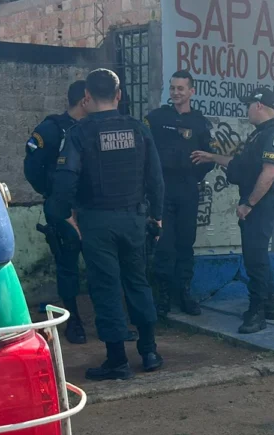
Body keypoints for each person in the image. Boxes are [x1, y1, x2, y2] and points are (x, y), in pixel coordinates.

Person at [47, 69, 165, 381]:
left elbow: (65, 180)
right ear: (119, 95)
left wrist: (65, 216)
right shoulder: (139, 129)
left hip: (96, 221)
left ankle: (117, 361)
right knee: (138, 282)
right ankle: (150, 352)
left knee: (106, 287)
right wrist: (157, 215)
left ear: (86, 97)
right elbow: (156, 177)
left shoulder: (79, 133)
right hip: (134, 218)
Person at [191, 87, 274, 334]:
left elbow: (269, 173)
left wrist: (249, 204)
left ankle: (257, 312)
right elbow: (240, 164)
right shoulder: (260, 135)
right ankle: (269, 305)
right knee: (257, 257)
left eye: (248, 105)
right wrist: (212, 157)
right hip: (257, 201)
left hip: (260, 203)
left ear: (258, 106)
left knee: (254, 260)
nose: (246, 110)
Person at [144, 70, 215, 318]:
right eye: (173, 88)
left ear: (191, 91)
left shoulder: (199, 122)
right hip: (162, 190)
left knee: (186, 243)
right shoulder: (155, 118)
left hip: (187, 189)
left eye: (180, 88)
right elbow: (144, 153)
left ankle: (184, 293)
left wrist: (194, 175)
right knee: (164, 244)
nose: (175, 93)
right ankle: (162, 296)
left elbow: (210, 157)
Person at [24, 81, 89, 344]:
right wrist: (51, 194)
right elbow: (32, 167)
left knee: (100, 263)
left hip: (90, 206)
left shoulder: (93, 128)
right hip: (61, 207)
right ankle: (73, 320)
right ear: (85, 99)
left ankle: (108, 320)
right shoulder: (51, 129)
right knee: (67, 265)